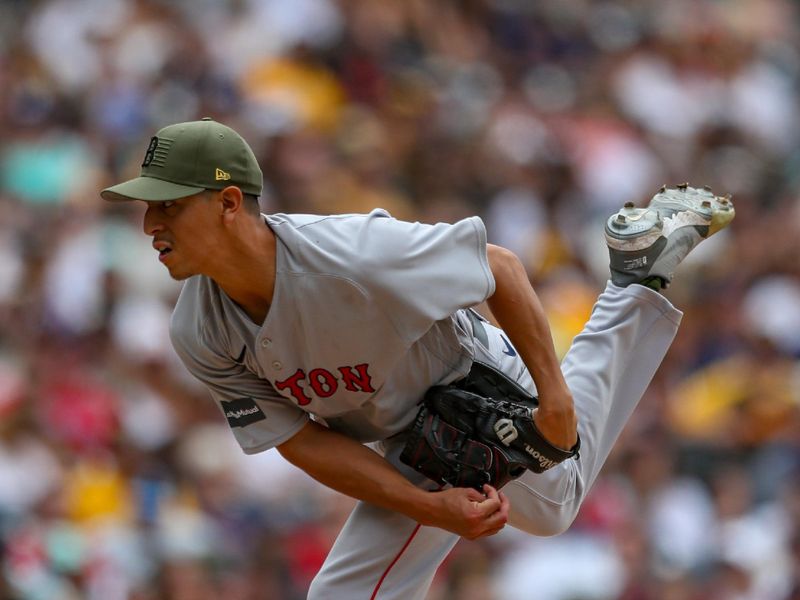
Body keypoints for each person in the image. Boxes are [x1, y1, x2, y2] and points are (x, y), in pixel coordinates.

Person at [101, 118, 734, 599]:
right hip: (403, 438)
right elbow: (298, 441)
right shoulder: (199, 328)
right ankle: (635, 278)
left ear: (228, 203)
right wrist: (426, 506)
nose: (151, 222)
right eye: (149, 205)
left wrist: (554, 398)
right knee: (556, 505)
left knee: (548, 503)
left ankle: (633, 283)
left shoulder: (351, 256)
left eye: (169, 205)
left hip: (470, 388)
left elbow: (499, 270)